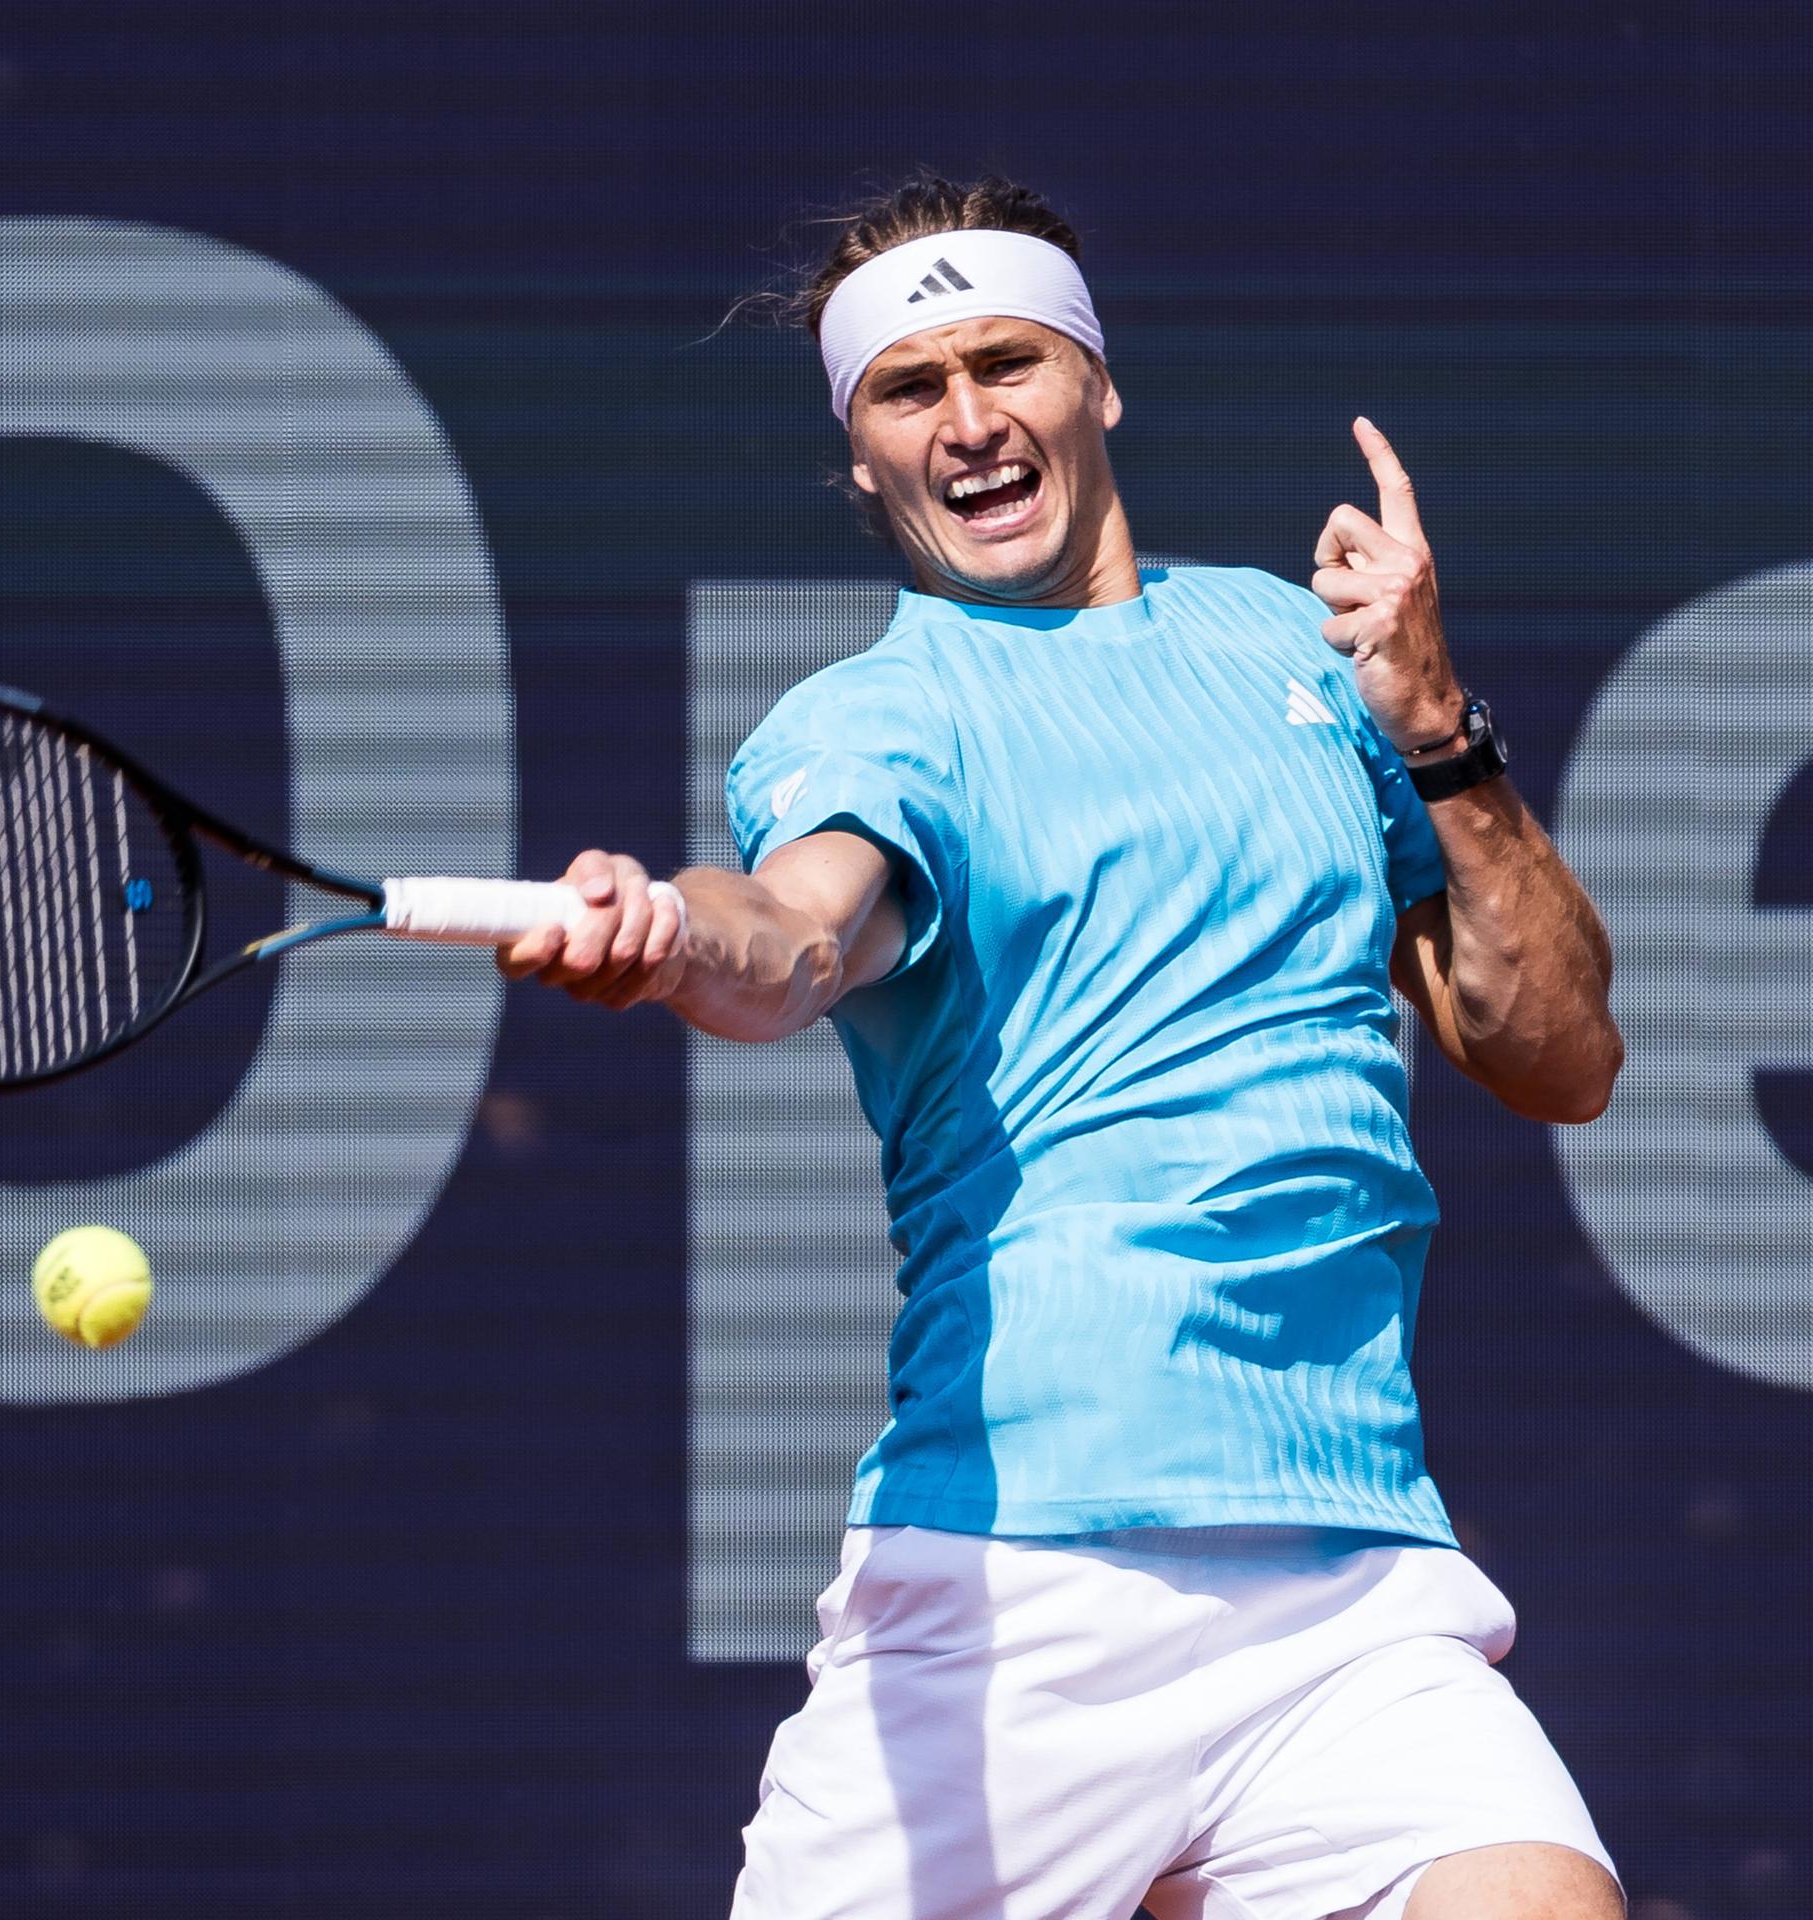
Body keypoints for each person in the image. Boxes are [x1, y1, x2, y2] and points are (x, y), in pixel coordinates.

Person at [499, 175, 1627, 1920]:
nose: (968, 422)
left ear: (1095, 382)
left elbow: (1556, 1056)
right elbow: (793, 937)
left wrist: (1439, 735)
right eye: (907, 390)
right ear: (862, 458)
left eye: (1005, 364)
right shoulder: (879, 719)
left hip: (1351, 1585)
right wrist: (663, 934)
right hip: (1020, 1583)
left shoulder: (1298, 651)